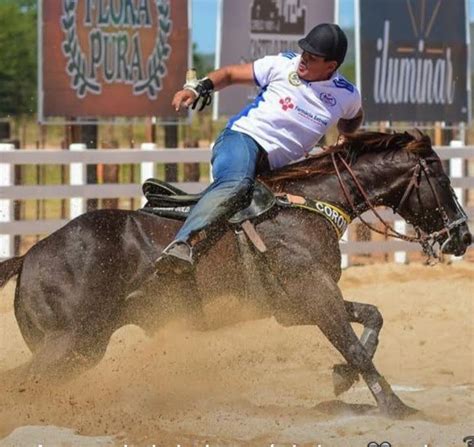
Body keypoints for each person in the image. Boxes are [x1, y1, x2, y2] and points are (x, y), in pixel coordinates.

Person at [155, 23, 363, 275]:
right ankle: (182, 243)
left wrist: (345, 137)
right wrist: (198, 87)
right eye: (304, 51)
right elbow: (230, 74)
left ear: (331, 66)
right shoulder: (282, 64)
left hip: (279, 169)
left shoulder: (347, 94)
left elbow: (353, 117)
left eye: (312, 57)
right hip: (242, 140)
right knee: (237, 183)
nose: (303, 59)